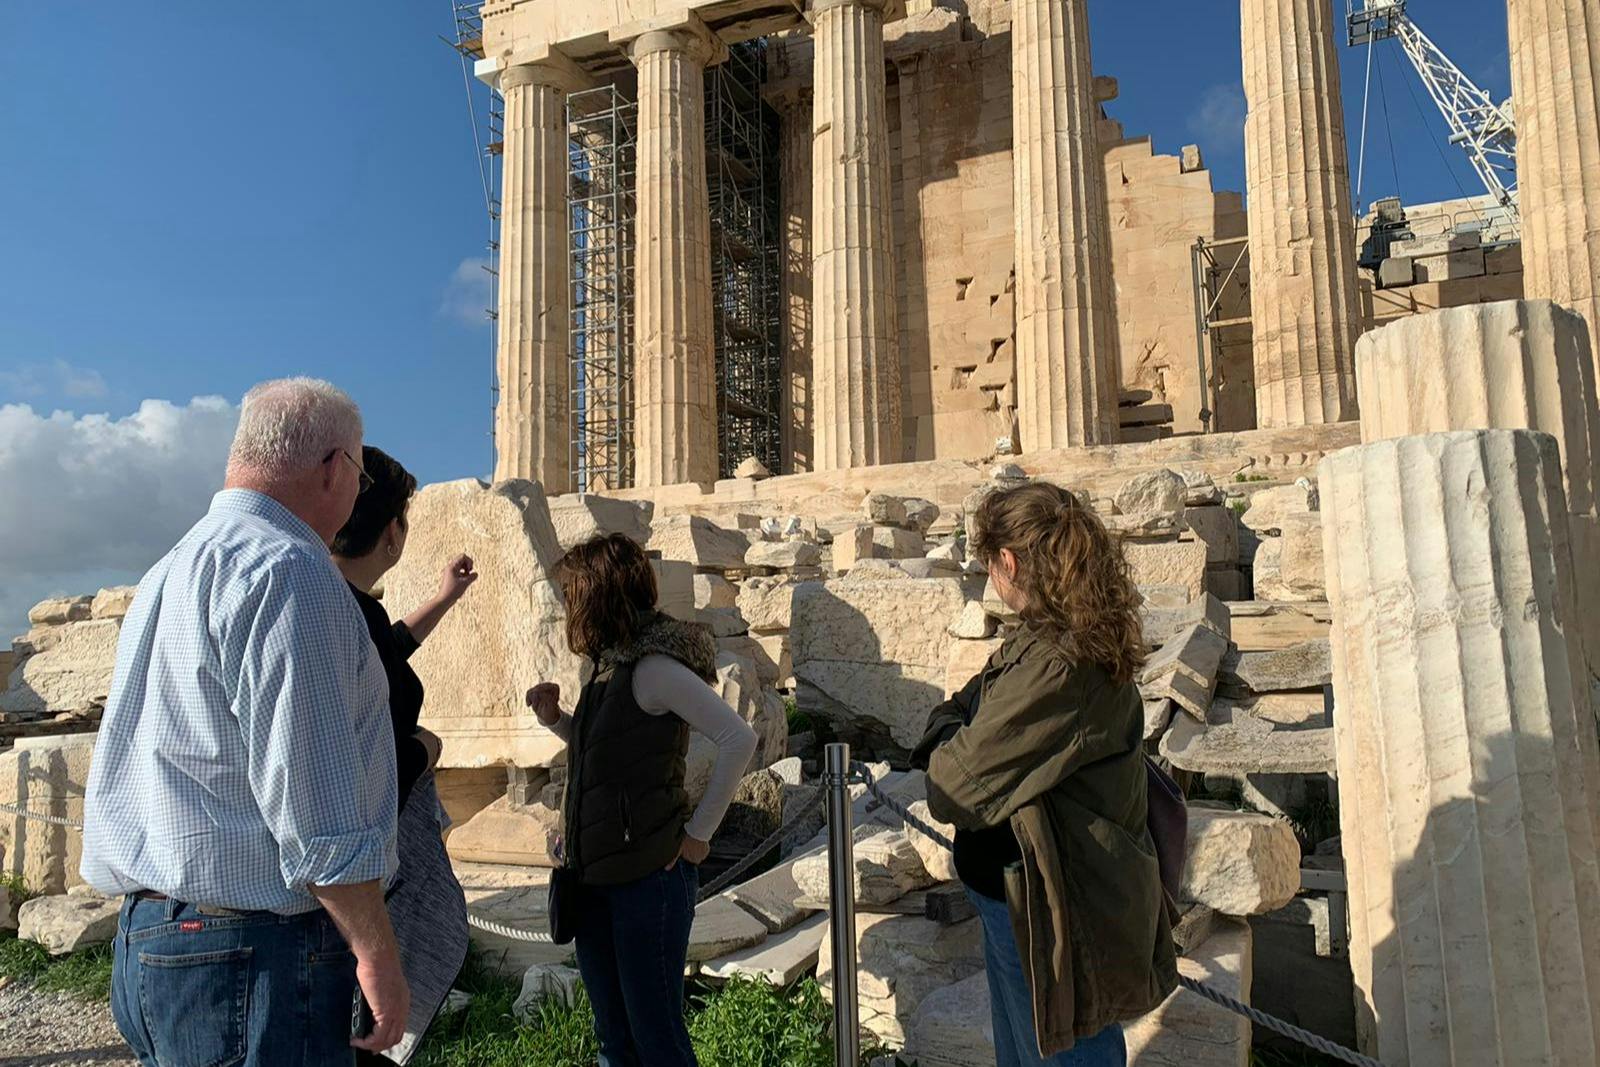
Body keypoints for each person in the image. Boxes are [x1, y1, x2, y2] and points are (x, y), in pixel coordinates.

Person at [81, 377, 410, 1065]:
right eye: (358, 471)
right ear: (332, 468)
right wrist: (376, 951)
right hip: (251, 951)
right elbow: (314, 802)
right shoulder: (287, 570)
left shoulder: (172, 568)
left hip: (152, 937)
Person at [912, 482, 1178, 1067]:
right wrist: (958, 724)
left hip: (1051, 909)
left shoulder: (1060, 664)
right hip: (1021, 896)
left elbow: (950, 785)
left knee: (1062, 1054)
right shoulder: (1050, 634)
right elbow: (962, 707)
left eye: (990, 566)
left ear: (1007, 562)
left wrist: (952, 731)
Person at [525, 534, 758, 1067]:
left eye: (572, 593)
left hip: (646, 883)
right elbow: (614, 752)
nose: (566, 606)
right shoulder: (606, 668)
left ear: (597, 596)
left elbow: (738, 739)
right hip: (596, 879)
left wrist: (698, 836)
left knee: (656, 1042)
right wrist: (559, 722)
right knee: (615, 1039)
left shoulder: (652, 667)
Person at [330, 446, 476, 1065]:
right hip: (362, 867)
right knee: (362, 1031)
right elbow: (357, 758)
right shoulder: (342, 613)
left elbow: (384, 651)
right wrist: (423, 749)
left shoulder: (340, 607)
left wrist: (444, 598)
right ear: (393, 533)